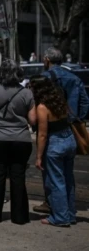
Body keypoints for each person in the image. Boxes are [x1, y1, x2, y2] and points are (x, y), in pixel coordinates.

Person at [0, 59, 36, 224]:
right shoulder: (26, 93)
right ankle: (20, 216)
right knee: (18, 177)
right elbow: (33, 119)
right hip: (21, 140)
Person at [35, 47, 89, 214]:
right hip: (69, 129)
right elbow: (85, 102)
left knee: (51, 172)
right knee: (68, 174)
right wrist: (76, 119)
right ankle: (69, 209)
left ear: (46, 60)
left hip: (50, 129)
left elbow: (35, 105)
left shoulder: (43, 79)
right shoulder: (74, 77)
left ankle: (54, 207)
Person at [30, 75, 77, 227]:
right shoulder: (59, 100)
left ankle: (60, 217)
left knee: (56, 181)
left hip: (55, 143)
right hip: (69, 139)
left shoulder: (42, 107)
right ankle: (70, 214)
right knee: (68, 179)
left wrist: (38, 157)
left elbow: (42, 134)